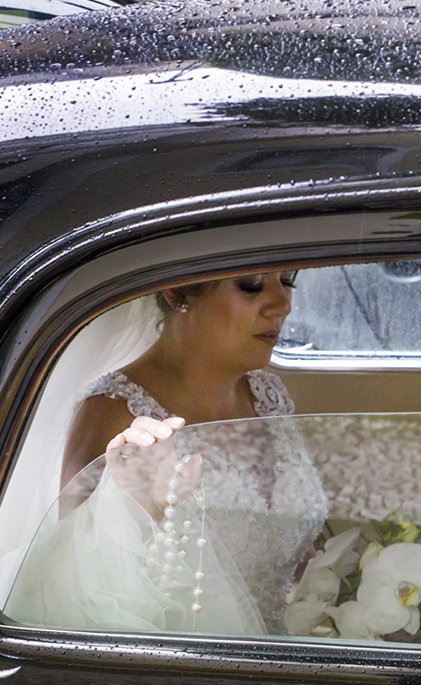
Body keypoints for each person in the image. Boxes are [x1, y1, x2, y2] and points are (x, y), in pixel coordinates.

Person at [6, 271, 327, 637]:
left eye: (288, 281)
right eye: (251, 284)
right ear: (177, 290)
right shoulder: (111, 412)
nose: (283, 304)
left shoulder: (269, 397)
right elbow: (72, 590)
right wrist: (137, 509)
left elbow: (294, 549)